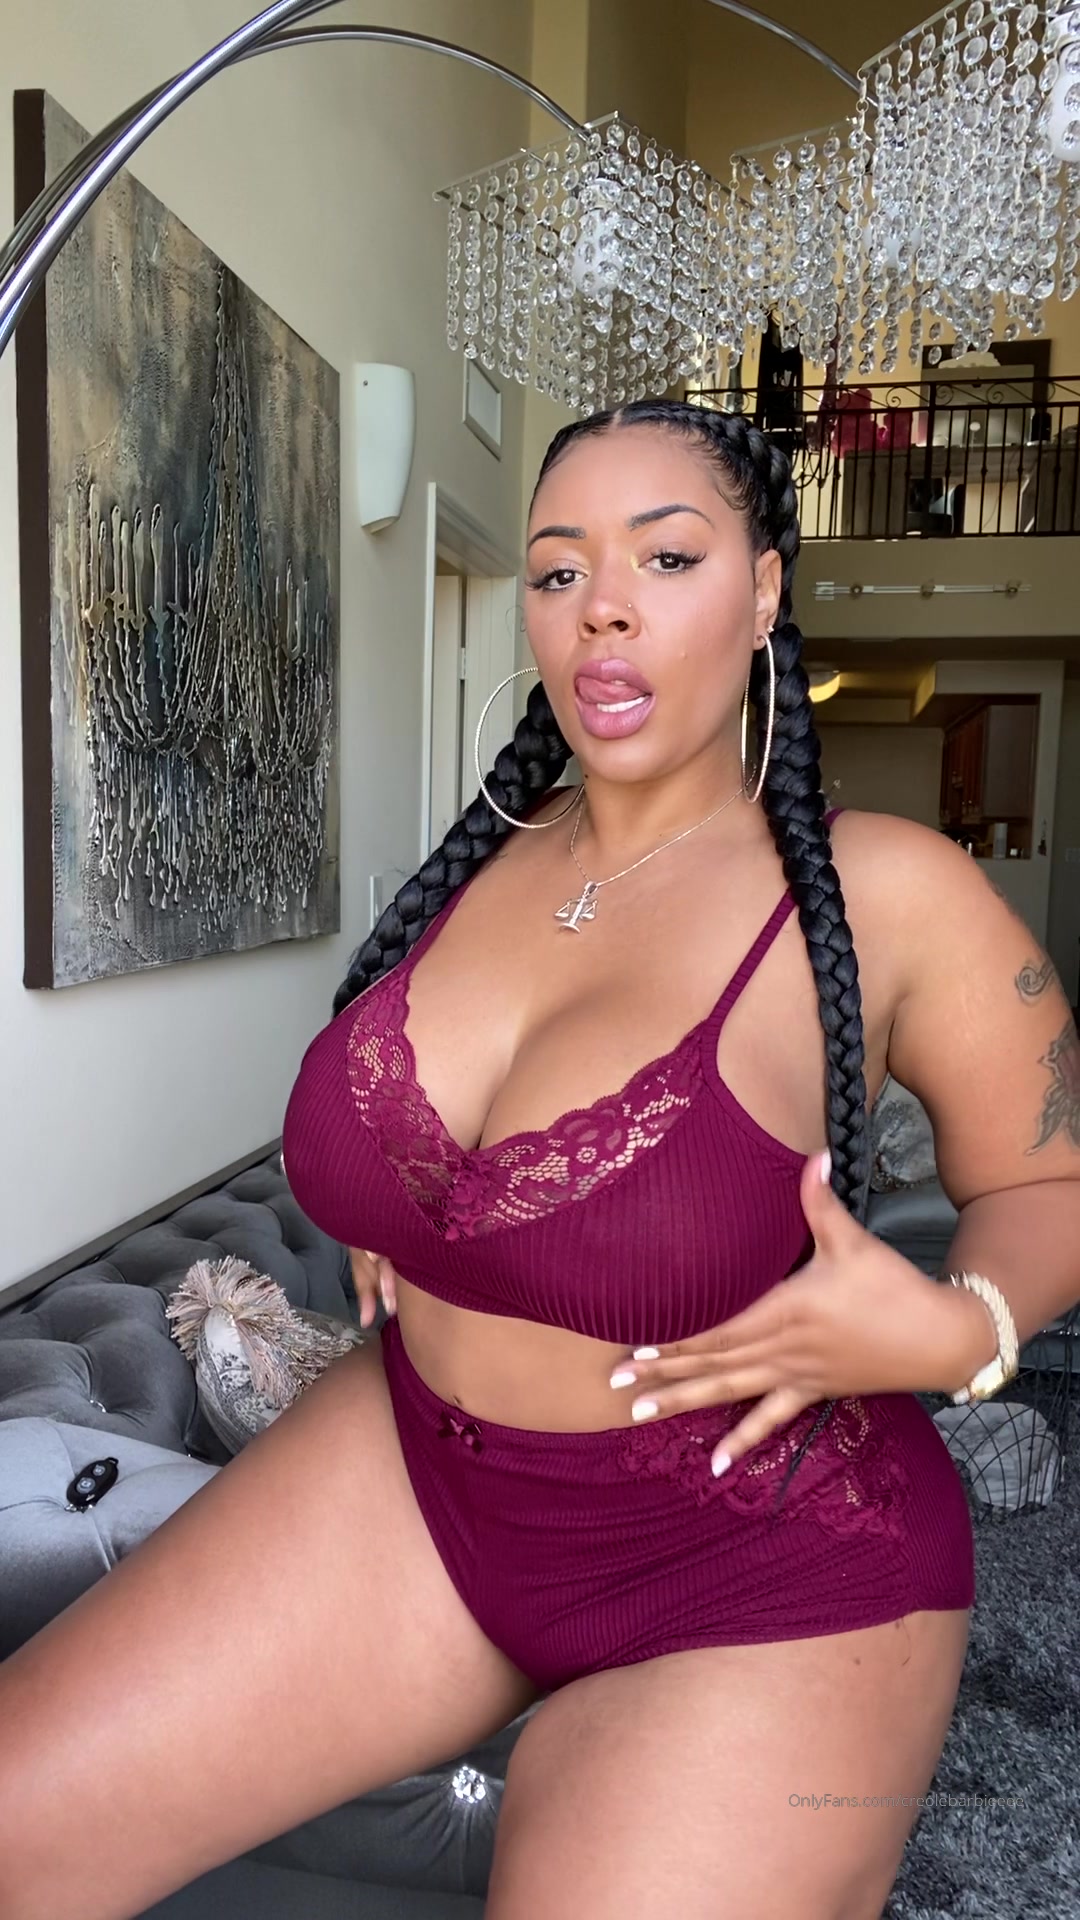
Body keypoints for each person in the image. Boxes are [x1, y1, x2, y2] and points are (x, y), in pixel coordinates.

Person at [2, 401, 1078, 1920]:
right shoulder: (482, 857)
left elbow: (1046, 1183)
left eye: (667, 558)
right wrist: (419, 1203)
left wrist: (957, 1329)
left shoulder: (889, 891)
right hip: (422, 1472)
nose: (603, 608)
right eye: (561, 570)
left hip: (762, 1562)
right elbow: (439, 1133)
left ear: (765, 592)